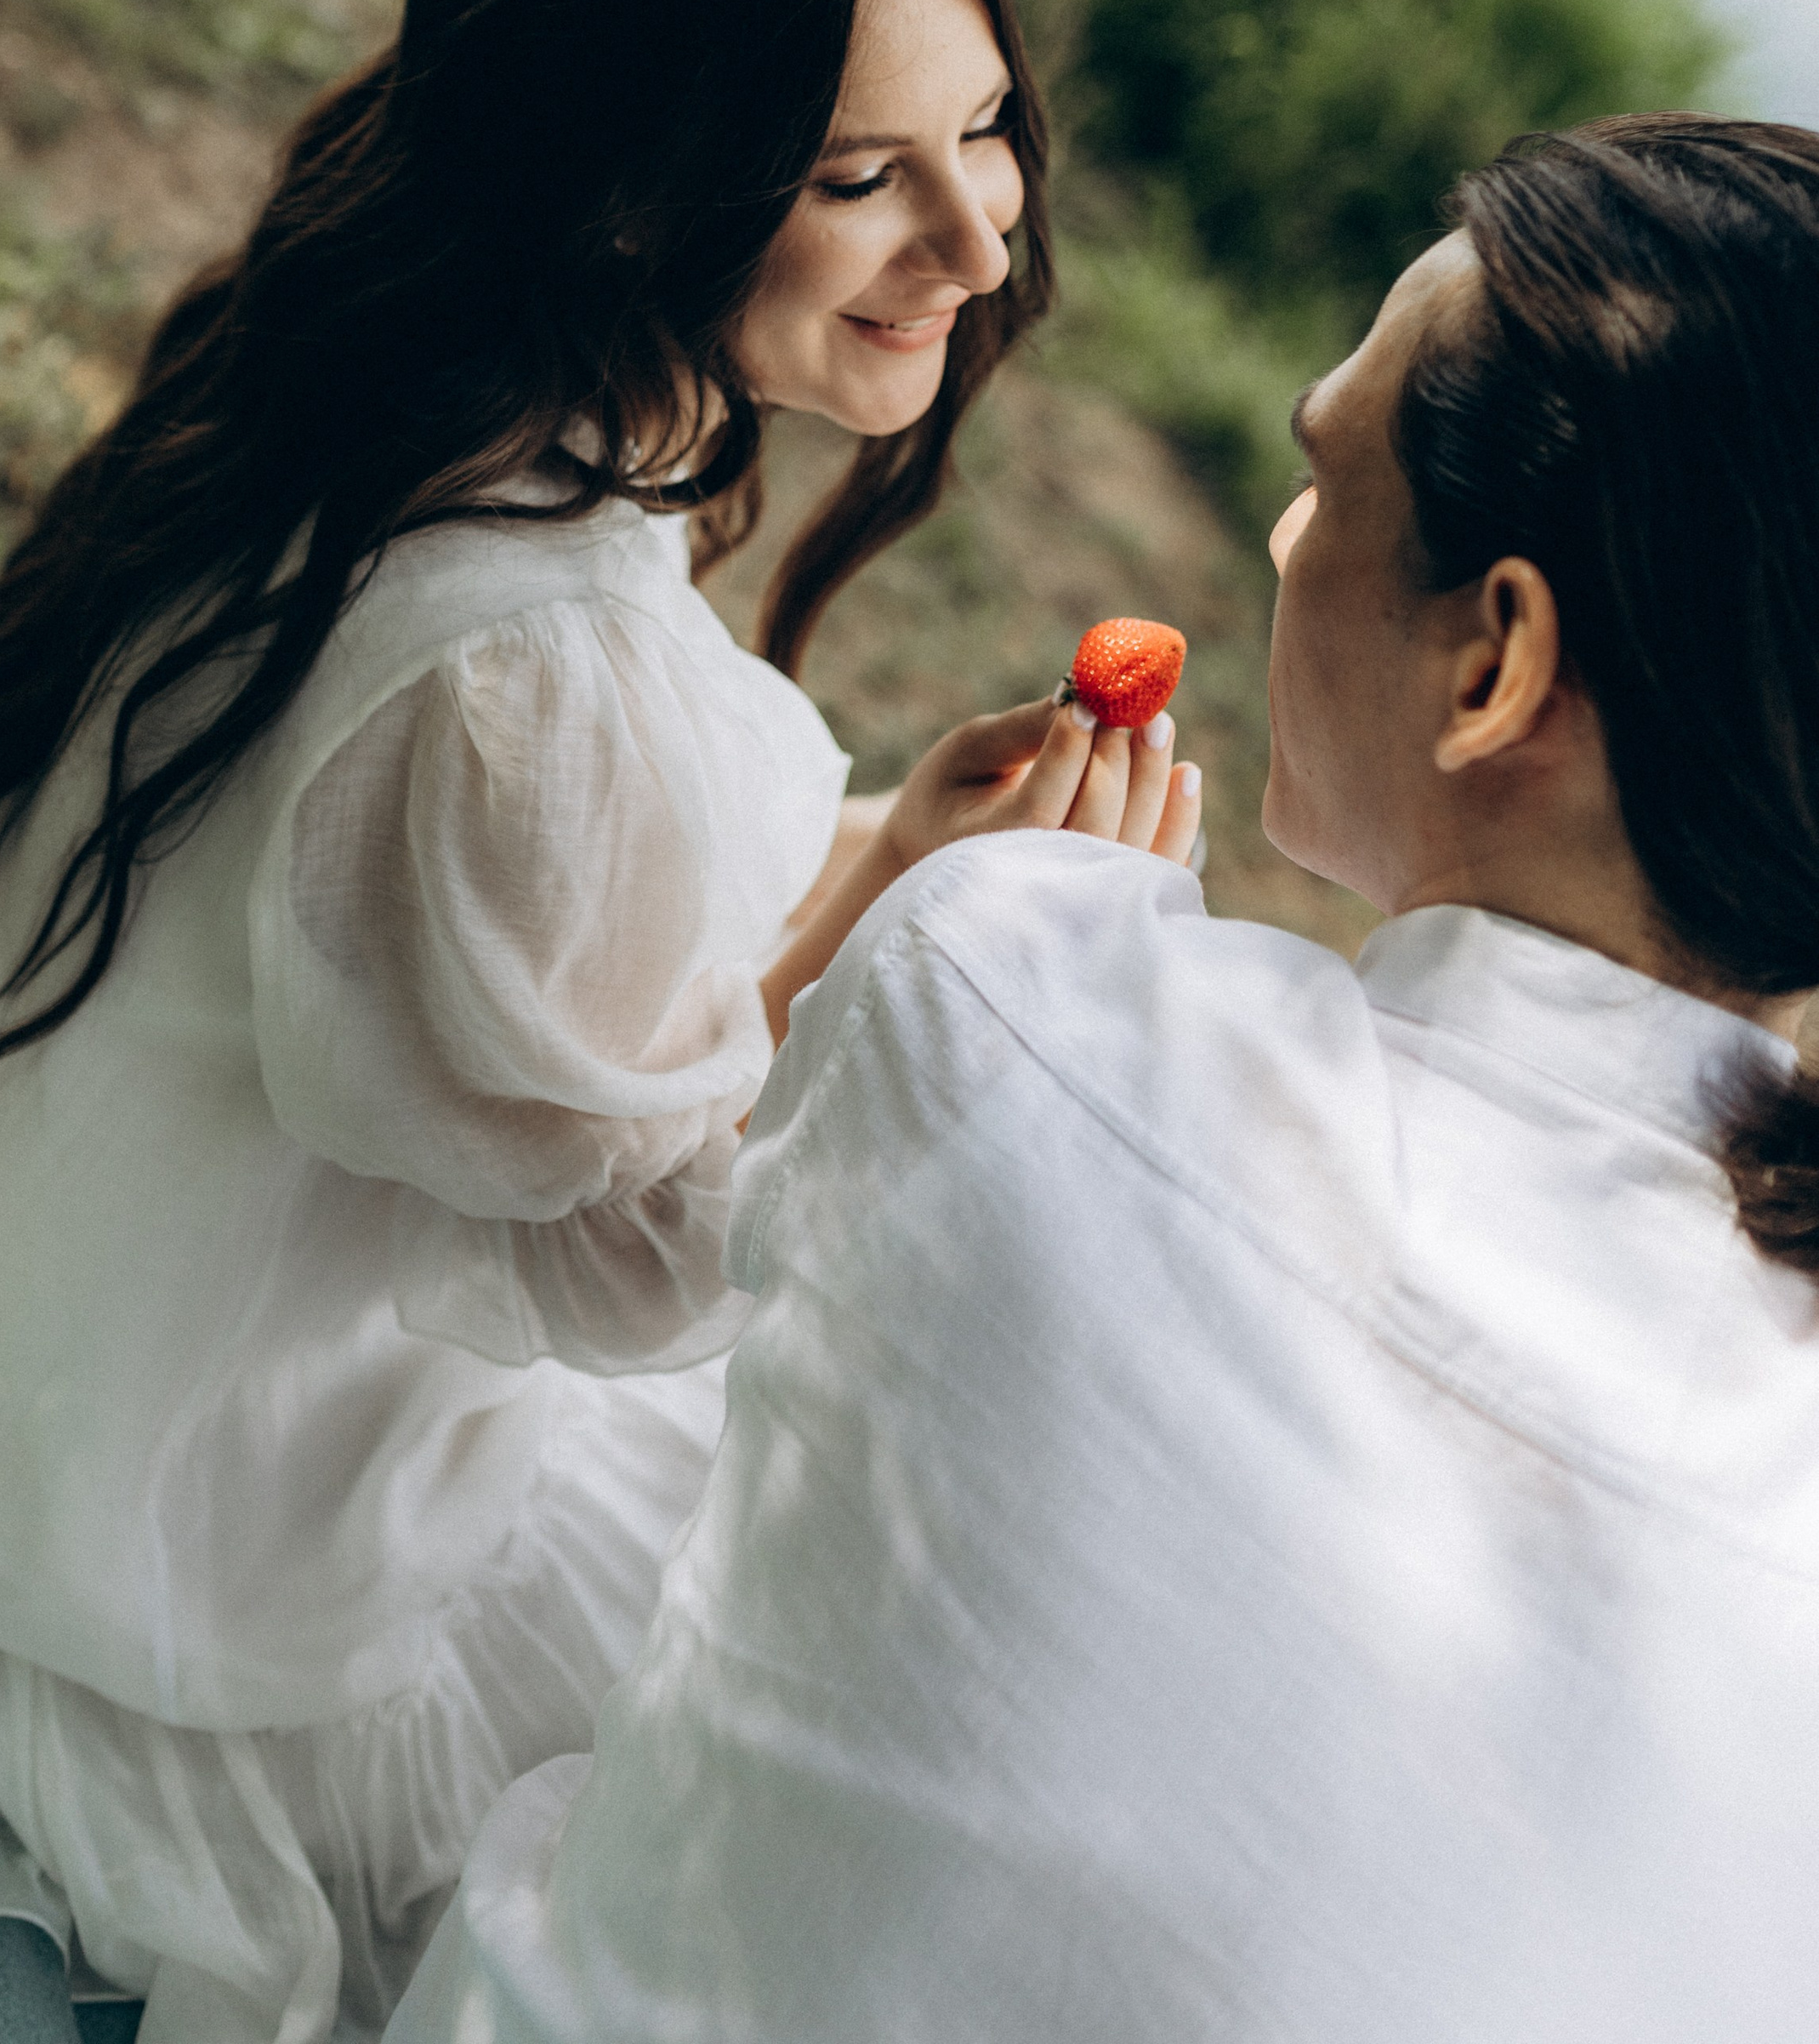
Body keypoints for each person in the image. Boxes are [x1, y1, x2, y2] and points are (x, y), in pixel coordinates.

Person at [0, 0, 1196, 2044]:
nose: (978, 241)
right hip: (137, 1538)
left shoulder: (393, 378)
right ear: (636, 192)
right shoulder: (522, 682)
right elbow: (639, 1261)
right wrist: (899, 934)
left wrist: (877, 848)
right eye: (865, 173)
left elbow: (487, 940)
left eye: (982, 134)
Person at [390, 113, 1819, 2044]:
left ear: (1492, 664)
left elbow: (679, 1198)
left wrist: (993, 922)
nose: (1282, 533)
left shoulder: (1022, 995)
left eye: (1330, 476)